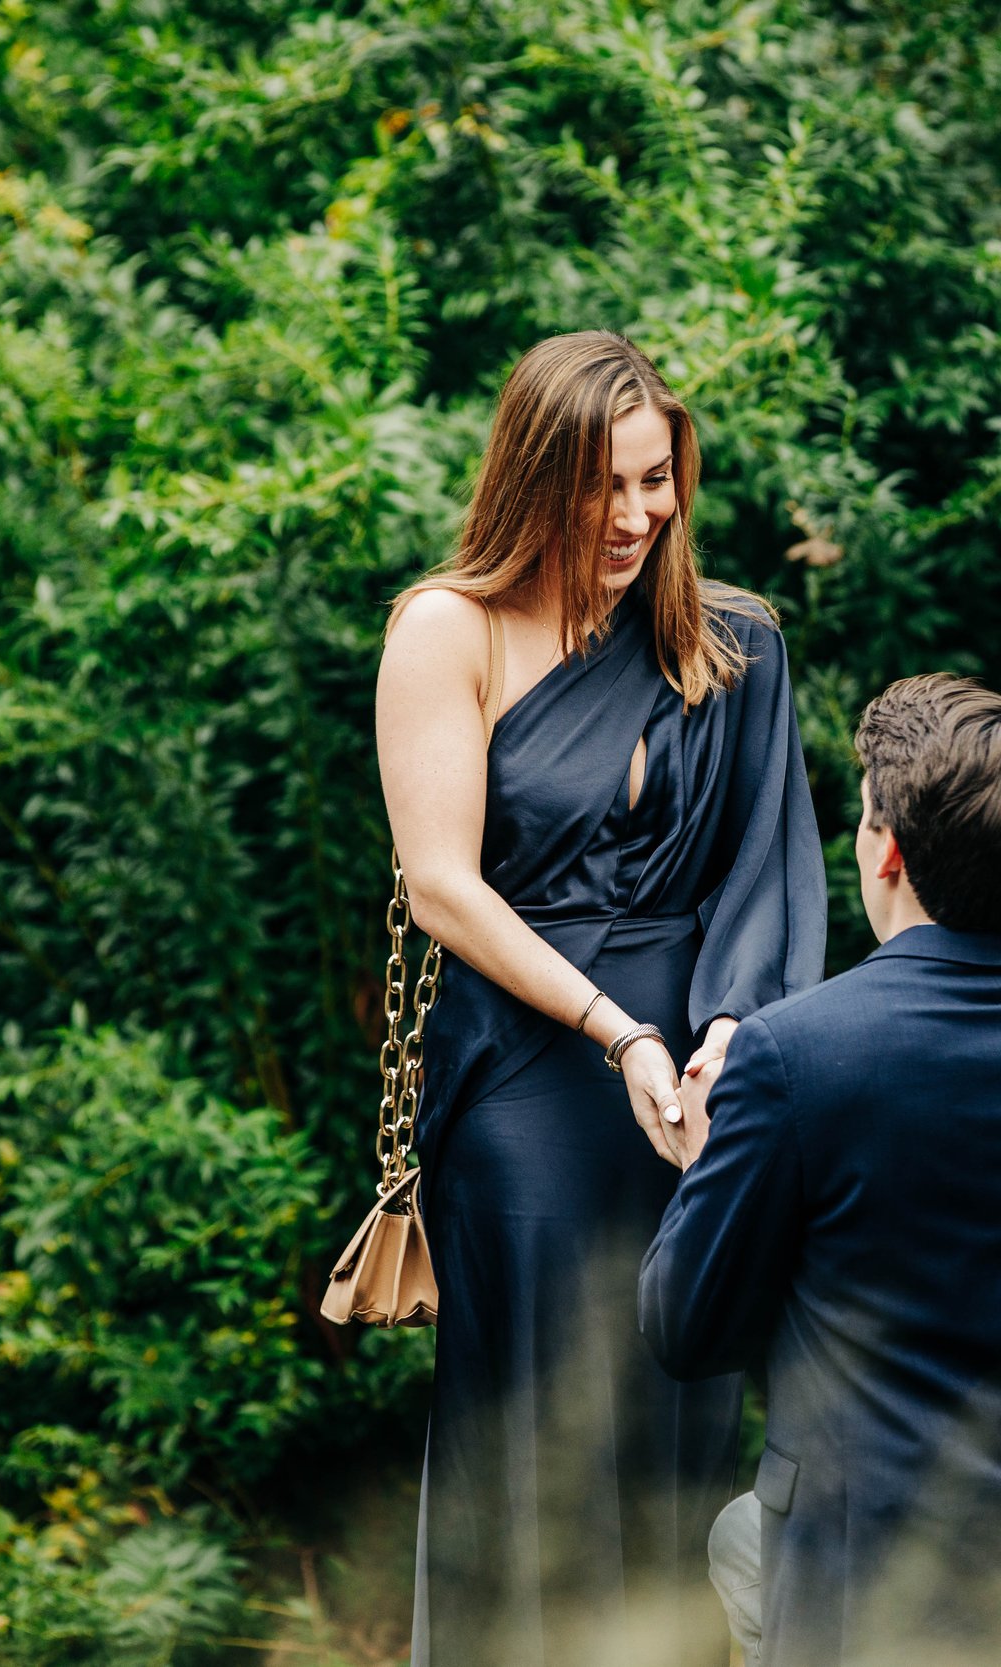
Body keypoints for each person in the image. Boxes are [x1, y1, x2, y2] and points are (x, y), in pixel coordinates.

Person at [377, 330, 828, 1664]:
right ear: (534, 480)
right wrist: (614, 1026)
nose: (637, 515)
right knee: (533, 1447)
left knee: (674, 1437)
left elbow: (771, 867)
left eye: (657, 480)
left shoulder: (732, 638)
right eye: (603, 485)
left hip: (686, 1094)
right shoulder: (446, 630)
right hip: (522, 1081)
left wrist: (728, 1039)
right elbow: (441, 886)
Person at [640, 674, 1001, 1667]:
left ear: (883, 850)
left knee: (739, 1540)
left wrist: (711, 1154)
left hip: (858, 1575)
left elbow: (686, 1326)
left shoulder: (795, 1054)